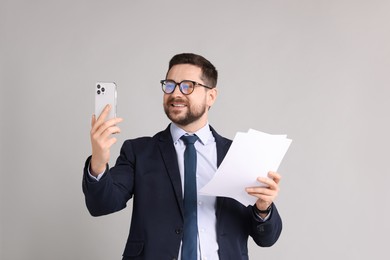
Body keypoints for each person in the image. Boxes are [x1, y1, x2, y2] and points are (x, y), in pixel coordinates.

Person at [82, 53, 282, 260]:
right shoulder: (139, 151)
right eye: (170, 85)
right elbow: (101, 205)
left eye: (187, 86)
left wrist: (263, 208)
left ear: (211, 96)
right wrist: (98, 161)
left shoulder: (238, 154)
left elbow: (266, 239)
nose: (175, 93)